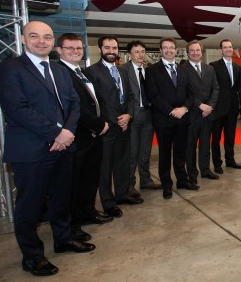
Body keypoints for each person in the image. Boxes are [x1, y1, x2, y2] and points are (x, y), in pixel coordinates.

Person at [0, 21, 94, 277]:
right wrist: (57, 133)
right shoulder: (10, 69)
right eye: (35, 36)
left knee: (62, 198)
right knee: (31, 206)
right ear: (23, 38)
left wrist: (68, 132)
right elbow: (18, 109)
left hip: (64, 146)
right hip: (32, 150)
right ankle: (32, 256)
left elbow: (73, 103)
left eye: (47, 37)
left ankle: (63, 239)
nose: (42, 41)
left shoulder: (59, 71)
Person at [56, 34, 111, 244]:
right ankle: (73, 225)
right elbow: (73, 106)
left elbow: (97, 101)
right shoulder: (61, 73)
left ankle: (88, 212)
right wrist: (97, 125)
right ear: (59, 50)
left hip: (93, 135)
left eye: (79, 48)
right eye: (70, 48)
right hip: (77, 137)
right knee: (74, 184)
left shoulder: (80, 72)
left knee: (89, 179)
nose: (75, 51)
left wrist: (103, 121)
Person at [84, 35, 141, 218]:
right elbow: (95, 102)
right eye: (107, 48)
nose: (111, 51)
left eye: (114, 48)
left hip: (124, 126)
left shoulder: (123, 71)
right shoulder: (91, 72)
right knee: (105, 167)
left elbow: (131, 96)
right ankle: (108, 203)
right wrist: (114, 120)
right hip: (106, 128)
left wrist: (129, 115)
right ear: (100, 49)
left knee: (122, 163)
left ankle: (122, 194)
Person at [145, 38, 196, 199]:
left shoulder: (183, 70)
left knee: (181, 152)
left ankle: (182, 180)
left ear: (176, 50)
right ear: (160, 50)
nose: (168, 50)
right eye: (165, 48)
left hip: (182, 118)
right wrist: (171, 111)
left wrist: (184, 108)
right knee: (164, 154)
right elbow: (153, 96)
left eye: (171, 48)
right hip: (163, 119)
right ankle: (166, 185)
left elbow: (191, 94)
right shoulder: (152, 70)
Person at [119, 40, 161, 194]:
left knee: (145, 151)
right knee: (132, 153)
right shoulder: (122, 70)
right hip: (132, 117)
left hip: (148, 116)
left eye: (143, 51)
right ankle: (129, 185)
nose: (140, 54)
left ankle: (146, 180)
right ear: (129, 54)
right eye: (137, 52)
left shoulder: (148, 70)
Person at [182, 40, 219, 182]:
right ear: (188, 52)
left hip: (207, 114)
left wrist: (210, 106)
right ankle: (192, 173)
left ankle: (205, 170)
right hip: (191, 114)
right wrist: (200, 105)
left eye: (198, 50)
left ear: (201, 51)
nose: (195, 53)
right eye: (192, 50)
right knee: (190, 146)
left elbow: (215, 88)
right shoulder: (183, 69)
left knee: (205, 144)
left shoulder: (209, 68)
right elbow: (184, 92)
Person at [210, 39, 241, 172]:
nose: (228, 49)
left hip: (233, 108)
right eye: (225, 47)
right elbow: (211, 88)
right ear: (221, 50)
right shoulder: (214, 66)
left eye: (230, 47)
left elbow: (238, 88)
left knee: (230, 136)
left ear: (232, 49)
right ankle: (217, 164)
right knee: (216, 138)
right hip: (218, 109)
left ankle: (230, 160)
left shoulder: (237, 67)